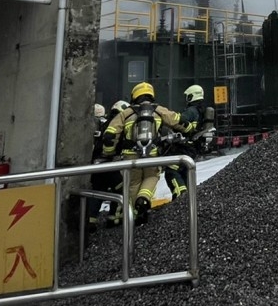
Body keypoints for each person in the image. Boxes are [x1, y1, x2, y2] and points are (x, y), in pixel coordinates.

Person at [100, 82, 184, 224]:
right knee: (152, 177)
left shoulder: (126, 113)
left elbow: (111, 133)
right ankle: (144, 199)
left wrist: (108, 152)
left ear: (134, 95)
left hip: (130, 155)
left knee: (133, 183)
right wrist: (189, 128)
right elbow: (177, 120)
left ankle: (134, 215)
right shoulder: (159, 110)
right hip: (151, 154)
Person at [162, 84, 216, 200]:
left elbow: (180, 122)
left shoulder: (191, 111)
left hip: (184, 147)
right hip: (193, 148)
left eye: (188, 96)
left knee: (171, 170)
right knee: (184, 171)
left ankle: (180, 197)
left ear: (192, 96)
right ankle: (188, 199)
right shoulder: (201, 111)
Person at [87, 100, 129, 230]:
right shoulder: (117, 124)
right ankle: (114, 219)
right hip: (108, 165)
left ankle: (90, 221)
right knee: (122, 189)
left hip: (96, 165)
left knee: (98, 191)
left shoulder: (103, 124)